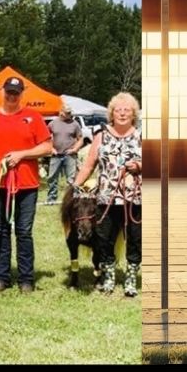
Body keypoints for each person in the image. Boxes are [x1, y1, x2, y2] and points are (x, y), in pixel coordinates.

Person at [0, 76, 55, 293]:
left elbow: (47, 147)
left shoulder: (32, 117)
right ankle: (2, 277)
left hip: (26, 186)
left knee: (24, 231)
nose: (11, 96)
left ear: (21, 95)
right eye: (9, 92)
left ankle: (26, 279)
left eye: (16, 93)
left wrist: (22, 154)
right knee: (0, 231)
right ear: (3, 92)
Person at [75, 92, 144, 297]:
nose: (122, 113)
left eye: (127, 110)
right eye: (118, 110)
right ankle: (109, 276)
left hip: (135, 199)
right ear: (111, 114)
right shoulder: (100, 137)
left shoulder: (142, 136)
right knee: (104, 239)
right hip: (106, 198)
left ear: (133, 114)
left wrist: (139, 165)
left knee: (135, 239)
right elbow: (88, 166)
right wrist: (74, 187)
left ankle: (131, 278)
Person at [44, 108, 88, 203]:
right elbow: (46, 138)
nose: (69, 115)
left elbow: (80, 139)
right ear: (61, 113)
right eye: (67, 113)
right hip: (56, 155)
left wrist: (75, 149)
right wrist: (51, 149)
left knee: (71, 179)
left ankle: (70, 199)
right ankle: (51, 199)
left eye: (70, 113)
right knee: (52, 177)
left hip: (70, 155)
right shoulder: (52, 124)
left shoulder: (75, 124)